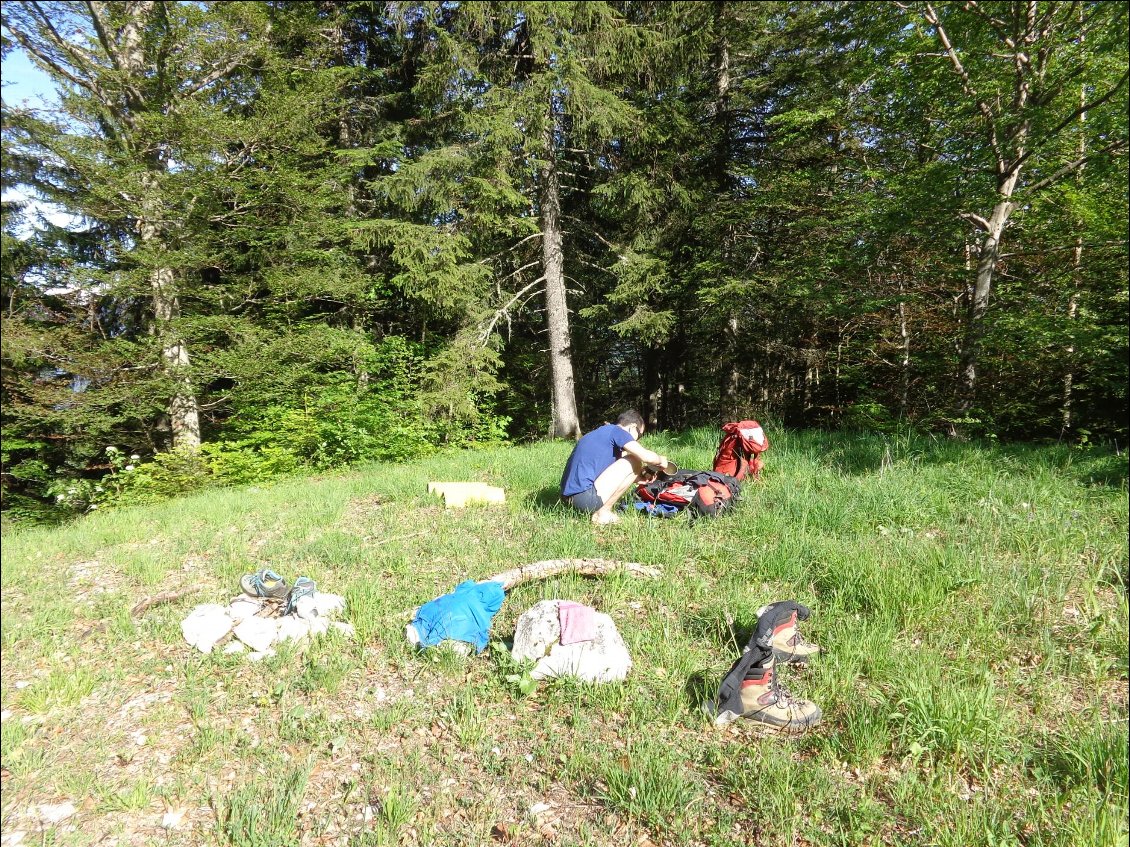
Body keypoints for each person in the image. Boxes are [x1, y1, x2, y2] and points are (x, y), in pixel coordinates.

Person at [560, 409, 670, 525]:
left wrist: (636, 477)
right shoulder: (617, 432)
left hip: (567, 498)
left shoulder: (600, 434)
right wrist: (661, 460)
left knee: (632, 462)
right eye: (639, 434)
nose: (637, 439)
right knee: (635, 459)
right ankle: (602, 513)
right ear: (632, 427)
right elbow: (646, 457)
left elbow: (602, 473)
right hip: (583, 498)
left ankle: (595, 510)